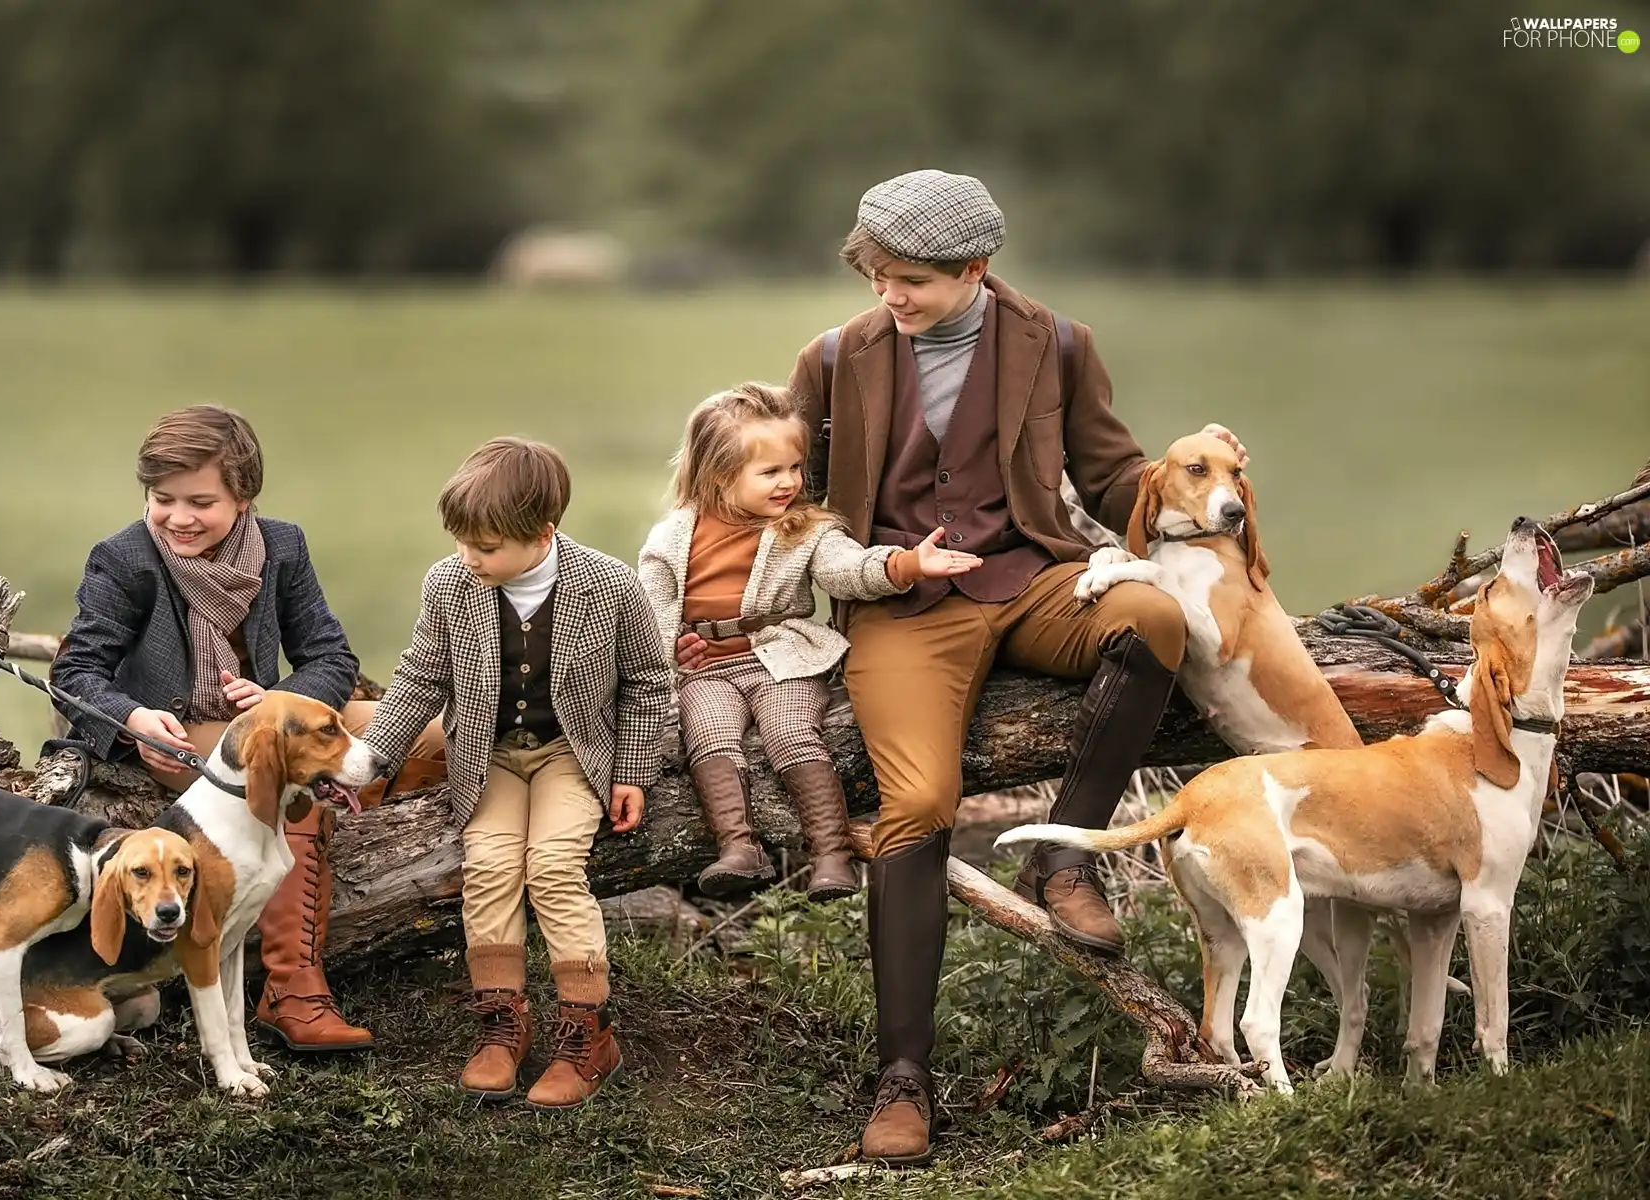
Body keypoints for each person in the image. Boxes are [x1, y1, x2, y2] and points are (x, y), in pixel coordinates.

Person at [745, 170, 1247, 1164]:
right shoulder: (834, 357)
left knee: (1149, 618)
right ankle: (903, 1079)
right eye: (877, 275)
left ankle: (1064, 857)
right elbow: (776, 482)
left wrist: (1201, 495)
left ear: (975, 269)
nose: (889, 295)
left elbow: (1110, 475)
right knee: (920, 804)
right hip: (901, 605)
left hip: (1030, 576)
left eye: (911, 281)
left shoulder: (1057, 344)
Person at [50, 404, 447, 1052]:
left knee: (427, 735)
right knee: (278, 773)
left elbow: (331, 656)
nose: (178, 516)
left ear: (243, 496)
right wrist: (131, 716)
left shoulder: (282, 546)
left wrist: (279, 700)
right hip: (181, 735)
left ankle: (346, 812)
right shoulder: (124, 559)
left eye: (200, 501)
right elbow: (76, 672)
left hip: (273, 717)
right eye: (163, 499)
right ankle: (291, 988)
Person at [360, 437, 673, 1108]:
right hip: (489, 755)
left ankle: (588, 1032)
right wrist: (372, 758)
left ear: (542, 534)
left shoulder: (609, 585)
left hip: (570, 751)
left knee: (555, 866)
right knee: (493, 866)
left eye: (486, 546)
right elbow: (421, 675)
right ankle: (502, 1025)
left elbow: (648, 682)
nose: (469, 558)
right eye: (462, 543)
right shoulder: (450, 585)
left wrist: (634, 772)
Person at [637, 382, 979, 901]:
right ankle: (739, 849)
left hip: (782, 660)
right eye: (770, 472)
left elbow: (847, 570)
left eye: (795, 467)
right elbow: (653, 611)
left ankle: (831, 853)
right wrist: (670, 650)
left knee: (792, 733)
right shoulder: (670, 538)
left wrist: (906, 563)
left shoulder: (806, 530)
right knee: (709, 737)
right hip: (703, 670)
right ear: (718, 474)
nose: (789, 483)